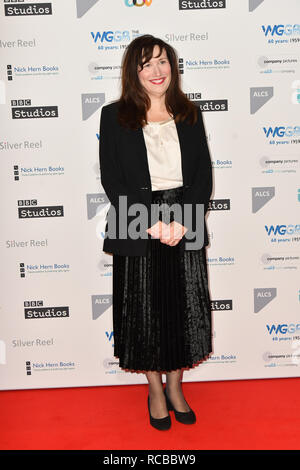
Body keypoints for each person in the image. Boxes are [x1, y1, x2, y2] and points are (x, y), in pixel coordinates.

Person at [99, 34, 213, 431]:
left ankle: (177, 386)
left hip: (185, 217)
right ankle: (154, 390)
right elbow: (113, 180)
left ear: (172, 66)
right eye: (146, 63)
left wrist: (181, 220)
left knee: (184, 309)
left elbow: (203, 177)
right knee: (144, 311)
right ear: (134, 71)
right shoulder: (114, 117)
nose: (156, 70)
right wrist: (150, 222)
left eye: (162, 61)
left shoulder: (190, 112)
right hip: (137, 220)